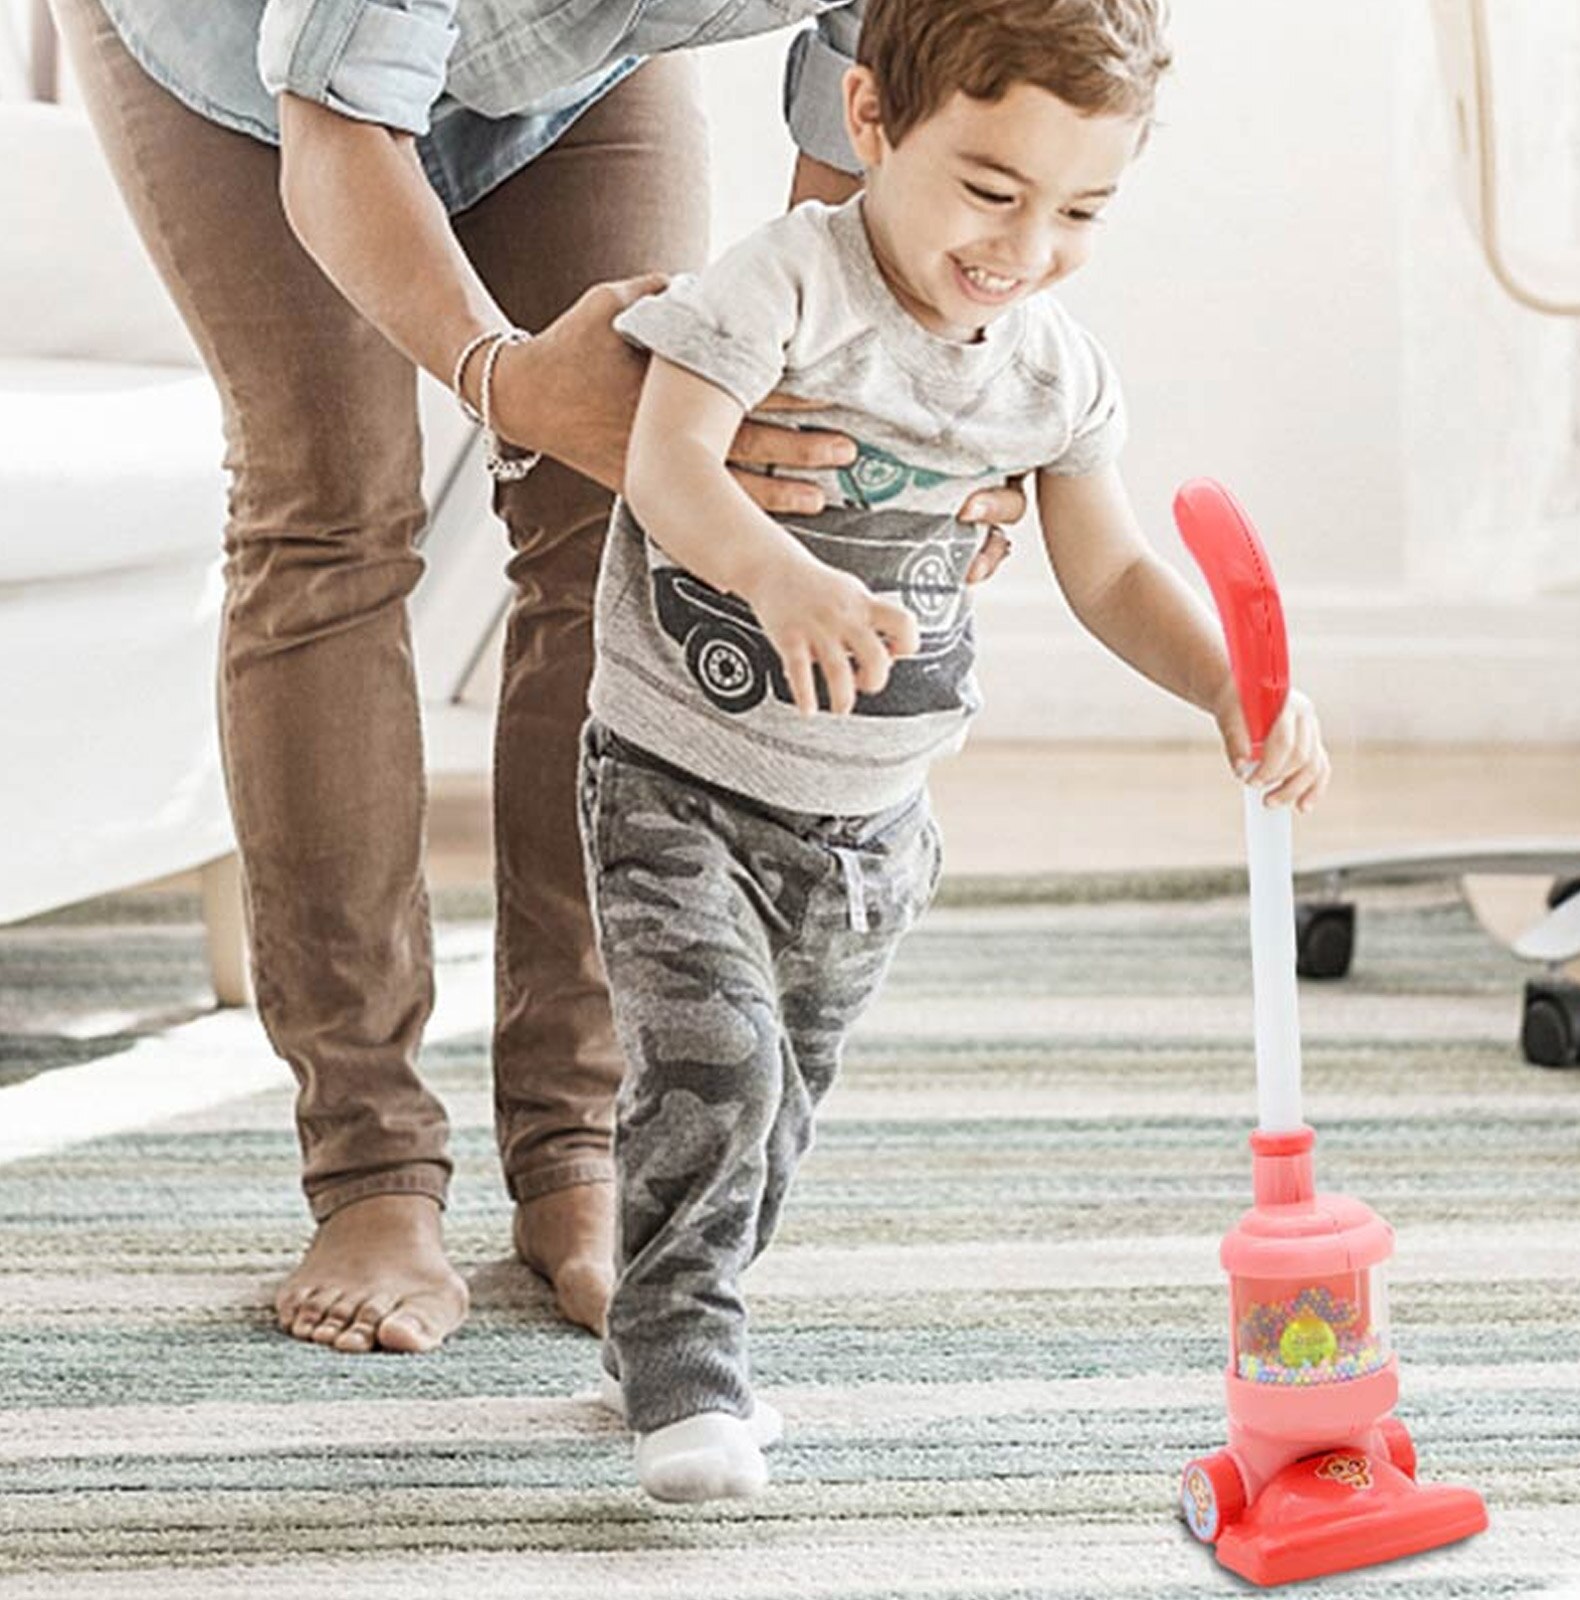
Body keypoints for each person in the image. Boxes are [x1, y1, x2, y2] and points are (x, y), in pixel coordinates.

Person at [48, 0, 1026, 1353]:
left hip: (568, 69)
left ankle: (578, 1140)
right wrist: (504, 378)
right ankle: (370, 1166)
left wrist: (870, 392)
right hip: (236, 61)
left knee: (627, 521)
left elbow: (882, 100)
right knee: (328, 509)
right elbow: (338, 119)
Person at [577, 0, 1331, 1501]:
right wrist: (775, 576)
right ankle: (683, 1366)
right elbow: (664, 461)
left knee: (774, 1103)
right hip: (681, 778)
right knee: (713, 1061)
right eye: (991, 188)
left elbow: (1111, 572)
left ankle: (681, 1302)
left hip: (870, 826)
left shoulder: (1050, 372)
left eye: (1082, 210)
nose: (1025, 244)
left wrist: (1234, 689)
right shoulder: (780, 285)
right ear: (872, 121)